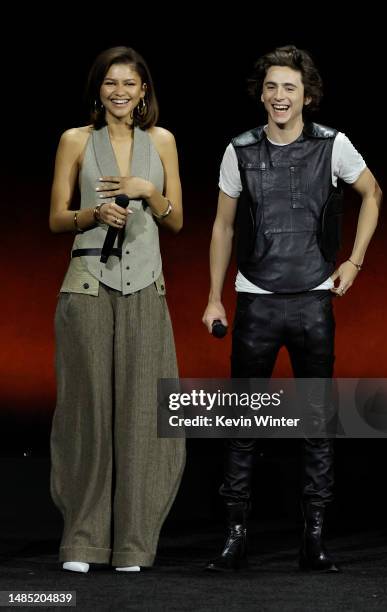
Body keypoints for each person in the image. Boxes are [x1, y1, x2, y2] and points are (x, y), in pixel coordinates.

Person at [202, 45, 382, 572]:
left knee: (317, 420)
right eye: (272, 87)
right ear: (262, 93)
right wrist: (214, 296)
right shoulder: (239, 149)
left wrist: (355, 262)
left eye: (290, 88)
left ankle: (314, 537)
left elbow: (373, 193)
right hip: (256, 300)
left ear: (307, 95)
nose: (280, 96)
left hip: (311, 299)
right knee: (242, 423)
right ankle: (235, 536)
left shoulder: (334, 145)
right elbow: (223, 226)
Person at [49, 46, 185, 573]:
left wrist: (150, 193)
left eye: (130, 83)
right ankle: (82, 542)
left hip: (146, 287)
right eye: (111, 83)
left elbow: (174, 221)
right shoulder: (76, 141)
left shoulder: (162, 142)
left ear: (144, 89)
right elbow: (57, 219)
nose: (120, 92)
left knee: (144, 415)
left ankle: (133, 544)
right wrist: (92, 213)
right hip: (86, 286)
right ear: (99, 89)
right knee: (87, 413)